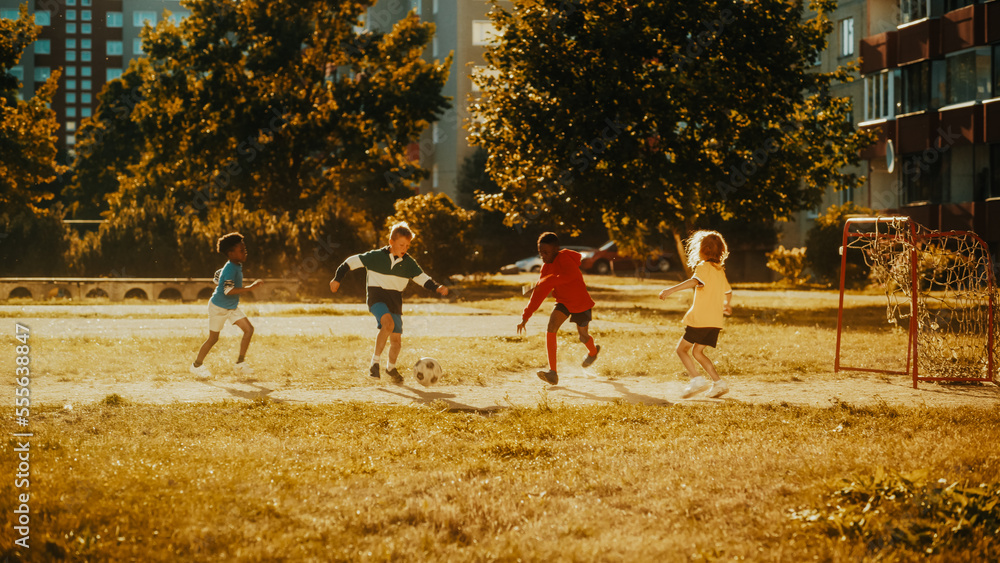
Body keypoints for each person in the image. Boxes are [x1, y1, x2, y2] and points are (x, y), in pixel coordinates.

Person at [329, 222, 449, 383]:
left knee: (396, 342)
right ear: (391, 242)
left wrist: (437, 287)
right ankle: (374, 364)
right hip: (376, 298)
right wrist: (337, 279)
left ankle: (390, 368)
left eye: (407, 245)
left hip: (395, 302)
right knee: (388, 324)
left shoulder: (409, 263)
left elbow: (422, 278)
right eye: (401, 244)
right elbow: (349, 263)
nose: (404, 248)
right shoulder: (375, 257)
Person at [517, 232, 600, 385]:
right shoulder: (546, 267)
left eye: (546, 252)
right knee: (551, 328)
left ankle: (593, 351)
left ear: (556, 249)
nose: (543, 256)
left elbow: (565, 278)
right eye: (540, 252)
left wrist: (543, 283)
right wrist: (525, 316)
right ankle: (553, 372)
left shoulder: (566, 260)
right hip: (563, 302)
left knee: (583, 337)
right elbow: (539, 293)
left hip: (581, 303)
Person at [658, 230, 733, 399]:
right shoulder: (719, 270)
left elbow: (694, 281)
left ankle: (697, 380)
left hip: (700, 319)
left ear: (702, 250)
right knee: (698, 352)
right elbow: (728, 291)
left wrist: (670, 290)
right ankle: (719, 383)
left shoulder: (704, 267)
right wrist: (727, 304)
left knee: (681, 350)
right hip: (714, 322)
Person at [190, 232, 262, 379]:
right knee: (213, 339)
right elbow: (228, 290)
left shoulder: (235, 265)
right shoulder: (231, 268)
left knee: (249, 330)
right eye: (241, 250)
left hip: (231, 307)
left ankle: (240, 364)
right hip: (218, 307)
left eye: (244, 249)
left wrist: (218, 278)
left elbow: (219, 275)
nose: (244, 252)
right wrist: (250, 288)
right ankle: (196, 366)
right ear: (230, 253)